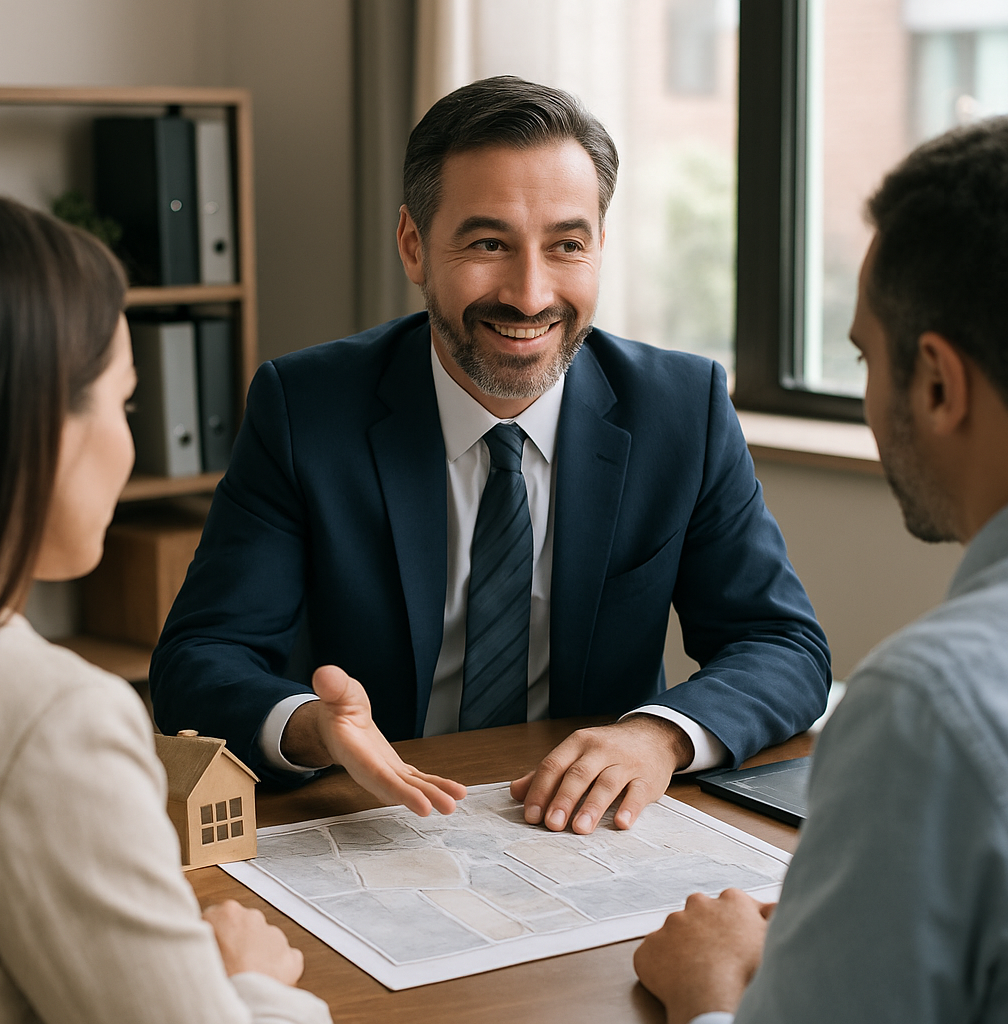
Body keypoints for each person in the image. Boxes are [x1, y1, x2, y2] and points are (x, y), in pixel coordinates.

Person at [150, 76, 831, 836]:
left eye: (566, 245)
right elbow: (200, 660)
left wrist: (658, 736)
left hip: (583, 827)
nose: (530, 295)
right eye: (488, 244)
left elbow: (782, 645)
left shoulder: (682, 409)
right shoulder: (304, 407)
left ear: (600, 247)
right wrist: (315, 729)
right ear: (414, 245)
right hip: (374, 817)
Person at [633, 116, 1008, 1023]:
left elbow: (781, 642)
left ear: (937, 382)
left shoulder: (928, 706)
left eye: (864, 359)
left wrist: (708, 985)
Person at [0, 196, 331, 1024]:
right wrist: (249, 981)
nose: (131, 446)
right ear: (42, 420)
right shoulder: (52, 721)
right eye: (126, 404)